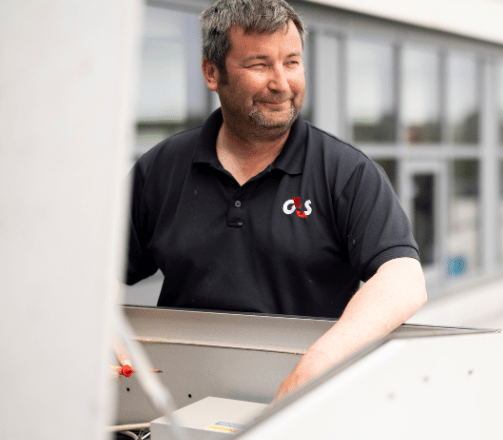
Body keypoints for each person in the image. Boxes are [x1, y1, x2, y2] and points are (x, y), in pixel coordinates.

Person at [123, 0, 426, 401]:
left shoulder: (345, 172)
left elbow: (403, 280)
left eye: (292, 62)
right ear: (212, 72)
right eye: (259, 65)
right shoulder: (161, 169)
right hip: (182, 401)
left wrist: (316, 365)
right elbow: (95, 272)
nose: (281, 82)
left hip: (307, 401)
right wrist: (96, 329)